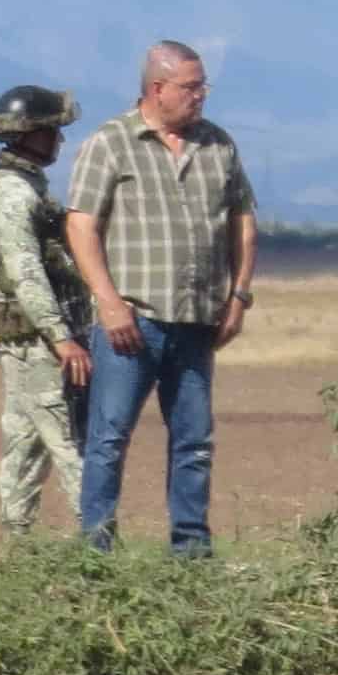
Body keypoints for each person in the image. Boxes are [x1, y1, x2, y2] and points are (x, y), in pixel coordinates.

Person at [65, 41, 254, 553]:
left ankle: (191, 553)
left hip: (196, 320)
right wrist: (109, 302)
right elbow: (81, 226)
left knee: (194, 440)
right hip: (131, 322)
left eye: (203, 86)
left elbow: (242, 221)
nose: (201, 95)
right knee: (108, 438)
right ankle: (96, 552)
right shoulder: (110, 143)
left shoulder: (218, 146)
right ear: (157, 88)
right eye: (191, 87)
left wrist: (238, 296)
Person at [0, 84, 94, 534]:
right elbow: (26, 271)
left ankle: (15, 544)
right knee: (70, 442)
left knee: (26, 441)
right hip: (38, 340)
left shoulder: (19, 188)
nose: (59, 139)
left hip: (26, 335)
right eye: (51, 130)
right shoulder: (15, 195)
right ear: (28, 134)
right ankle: (98, 544)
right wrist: (62, 337)